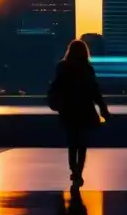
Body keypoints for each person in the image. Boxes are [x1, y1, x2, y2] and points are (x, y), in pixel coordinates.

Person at [47, 39, 110, 187]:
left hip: (68, 110)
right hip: (85, 110)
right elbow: (95, 91)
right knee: (82, 144)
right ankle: (78, 171)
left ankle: (73, 168)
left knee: (72, 142)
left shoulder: (62, 67)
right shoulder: (87, 69)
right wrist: (103, 108)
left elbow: (56, 86)